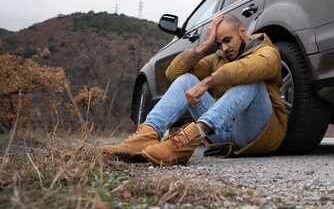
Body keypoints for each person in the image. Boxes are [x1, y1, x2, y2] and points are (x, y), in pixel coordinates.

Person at [102, 14, 288, 166]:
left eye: (227, 40)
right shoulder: (219, 56)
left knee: (250, 80)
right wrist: (204, 46)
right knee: (186, 80)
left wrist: (208, 82)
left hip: (258, 132)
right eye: (218, 43)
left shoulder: (267, 50)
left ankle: (189, 138)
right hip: (222, 131)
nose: (224, 48)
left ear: (242, 31)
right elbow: (173, 74)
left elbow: (255, 67)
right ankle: (148, 135)